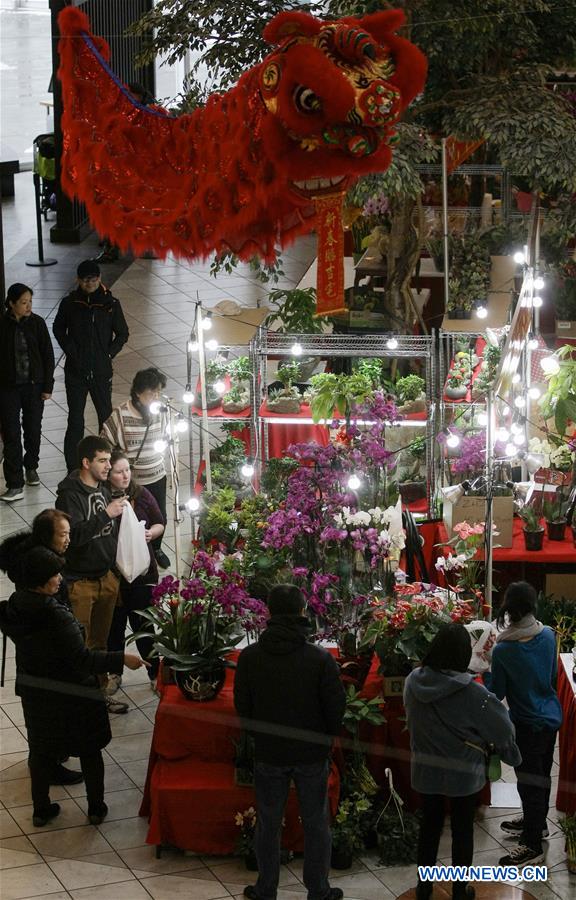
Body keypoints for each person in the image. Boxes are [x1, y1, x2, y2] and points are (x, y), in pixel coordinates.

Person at [0, 547, 148, 828]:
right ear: (42, 581)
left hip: (35, 694)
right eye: (55, 574)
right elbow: (82, 658)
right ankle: (95, 807)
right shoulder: (55, 616)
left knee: (41, 752)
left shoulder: (16, 606)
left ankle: (41, 810)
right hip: (73, 694)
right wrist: (122, 659)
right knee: (90, 751)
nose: (60, 578)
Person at [234, 584, 346, 900]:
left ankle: (266, 889)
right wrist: (323, 742)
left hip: (270, 752)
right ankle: (319, 890)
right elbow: (336, 708)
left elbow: (243, 707)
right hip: (311, 753)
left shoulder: (250, 657)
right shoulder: (319, 659)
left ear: (269, 613)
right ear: (301, 613)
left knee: (268, 823)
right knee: (316, 823)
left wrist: (261, 735)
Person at [404, 623, 521, 900]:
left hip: (425, 768)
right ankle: (459, 889)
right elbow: (503, 729)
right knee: (462, 830)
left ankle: (424, 887)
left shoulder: (412, 682)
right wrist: (509, 754)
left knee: (429, 827)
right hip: (463, 773)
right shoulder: (473, 694)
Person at [0, 509, 83, 785]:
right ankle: (48, 769)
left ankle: (50, 761)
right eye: (63, 534)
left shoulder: (39, 562)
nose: (67, 540)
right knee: (45, 720)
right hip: (43, 661)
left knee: (46, 720)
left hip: (39, 660)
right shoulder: (37, 571)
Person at [489, 582, 562, 868]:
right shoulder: (547, 635)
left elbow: (497, 694)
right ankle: (538, 823)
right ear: (533, 606)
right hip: (551, 717)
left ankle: (531, 844)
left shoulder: (504, 649)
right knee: (542, 777)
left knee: (529, 784)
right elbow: (552, 678)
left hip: (526, 724)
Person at [55, 435, 129, 714]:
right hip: (80, 583)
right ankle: (79, 703)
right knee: (81, 645)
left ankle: (99, 696)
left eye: (110, 460)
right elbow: (73, 536)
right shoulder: (69, 495)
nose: (109, 466)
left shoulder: (103, 488)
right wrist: (106, 515)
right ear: (86, 462)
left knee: (99, 643)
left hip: (106, 579)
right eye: (102, 461)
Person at [53, 260, 129, 472]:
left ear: (100, 279)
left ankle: (106, 465)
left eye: (94, 279)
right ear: (78, 280)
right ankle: (73, 468)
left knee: (105, 420)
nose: (90, 283)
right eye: (86, 280)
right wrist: (71, 350)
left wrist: (108, 354)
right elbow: (58, 328)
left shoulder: (110, 303)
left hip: (101, 371)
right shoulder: (70, 303)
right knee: (75, 420)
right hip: (76, 371)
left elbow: (123, 333)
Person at [106, 449, 164, 695]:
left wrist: (152, 533)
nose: (125, 475)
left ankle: (155, 674)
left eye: (127, 470)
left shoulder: (142, 494)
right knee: (114, 628)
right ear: (108, 475)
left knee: (144, 628)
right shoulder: (104, 501)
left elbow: (159, 521)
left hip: (142, 575)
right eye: (119, 472)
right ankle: (114, 673)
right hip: (115, 578)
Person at [101, 367, 170, 569]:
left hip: (157, 475)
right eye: (151, 393)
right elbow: (105, 445)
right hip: (132, 481)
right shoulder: (120, 415)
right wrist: (119, 469)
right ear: (138, 393)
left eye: (159, 392)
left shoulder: (162, 411)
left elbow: (168, 437)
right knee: (134, 519)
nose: (156, 397)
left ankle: (156, 548)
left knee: (160, 516)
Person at [0, 283, 55, 502]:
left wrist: (47, 386)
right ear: (11, 303)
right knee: (11, 433)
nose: (28, 306)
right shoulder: (2, 325)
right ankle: (14, 483)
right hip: (8, 388)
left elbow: (48, 356)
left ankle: (31, 466)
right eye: (23, 302)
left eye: (30, 301)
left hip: (34, 386)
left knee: (33, 428)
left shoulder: (37, 324)